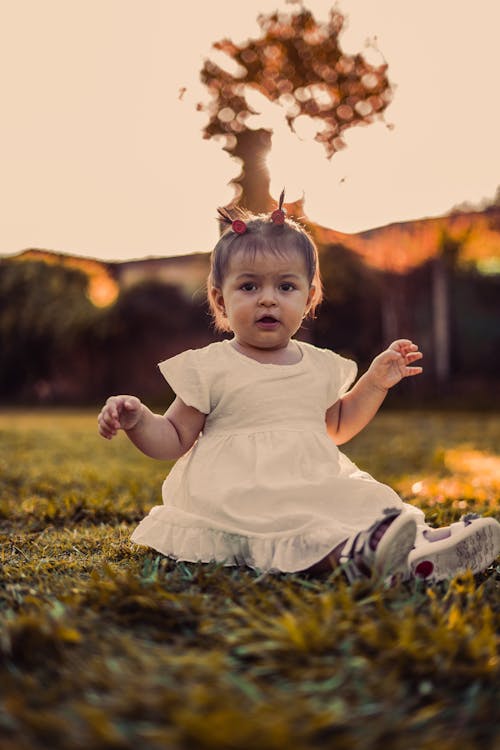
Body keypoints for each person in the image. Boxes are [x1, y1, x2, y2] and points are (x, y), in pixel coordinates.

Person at [97, 194, 500, 583]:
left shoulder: (319, 364)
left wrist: (374, 383)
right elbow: (172, 439)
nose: (268, 300)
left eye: (285, 287)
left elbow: (338, 425)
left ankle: (424, 545)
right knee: (305, 530)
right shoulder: (212, 366)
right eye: (249, 287)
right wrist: (139, 420)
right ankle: (360, 556)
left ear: (308, 298)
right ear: (220, 301)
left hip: (312, 479)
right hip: (243, 495)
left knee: (362, 502)